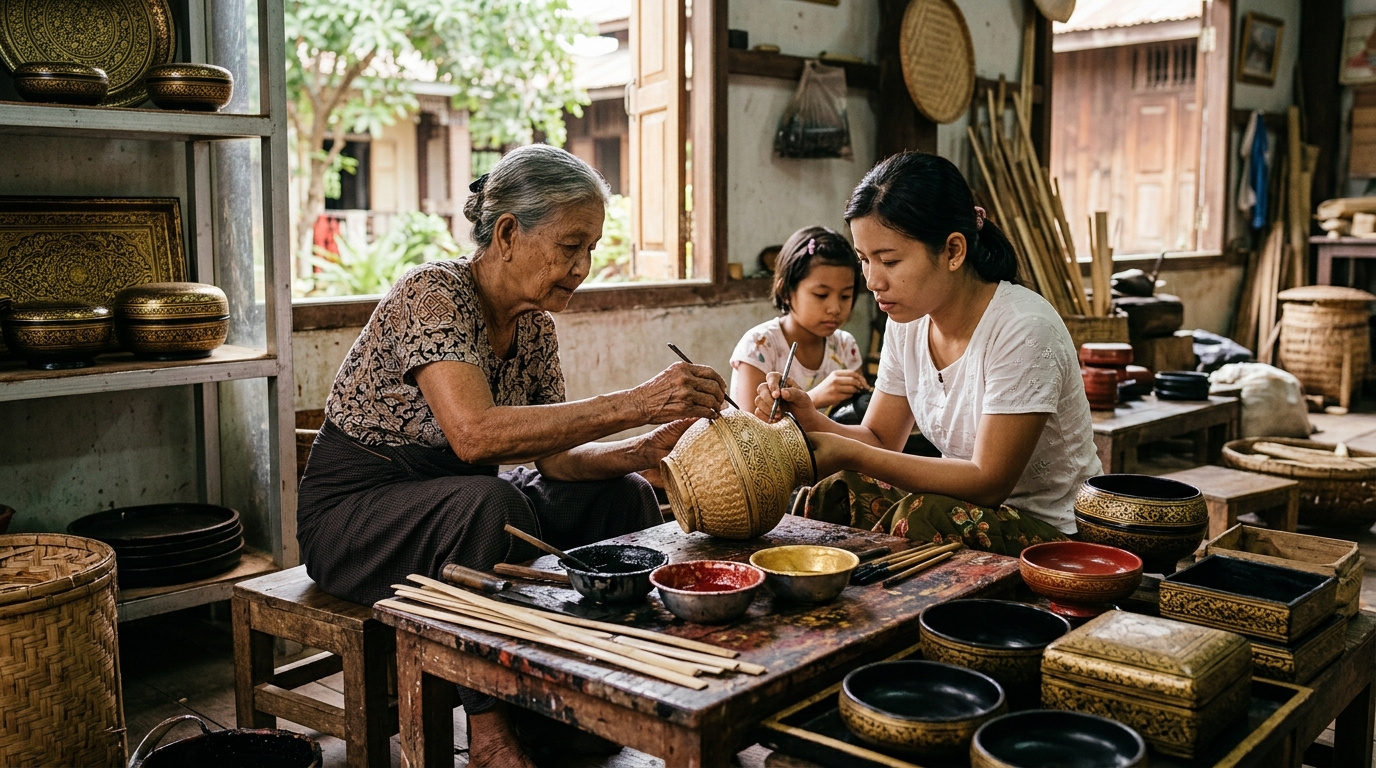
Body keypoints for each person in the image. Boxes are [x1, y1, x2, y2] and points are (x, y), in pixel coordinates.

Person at [296, 144, 726, 767]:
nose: (581, 266)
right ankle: (490, 729)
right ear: (506, 234)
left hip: (450, 504)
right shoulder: (432, 295)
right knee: (492, 504)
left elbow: (553, 461)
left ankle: (590, 687)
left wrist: (642, 450)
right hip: (354, 518)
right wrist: (639, 401)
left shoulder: (535, 324)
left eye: (591, 249)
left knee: (621, 495)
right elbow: (473, 435)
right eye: (569, 246)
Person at [756, 151, 1100, 552]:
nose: (871, 281)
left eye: (889, 260)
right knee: (837, 490)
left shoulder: (1023, 328)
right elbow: (880, 438)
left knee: (922, 515)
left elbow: (988, 482)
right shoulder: (908, 321)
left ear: (954, 251)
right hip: (966, 508)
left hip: (1057, 536)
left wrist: (851, 452)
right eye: (864, 260)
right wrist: (812, 420)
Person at [729, 226, 868, 413]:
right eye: (821, 295)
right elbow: (750, 428)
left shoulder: (844, 346)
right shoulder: (760, 346)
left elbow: (857, 415)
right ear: (785, 291)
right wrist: (813, 399)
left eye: (845, 296)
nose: (835, 308)